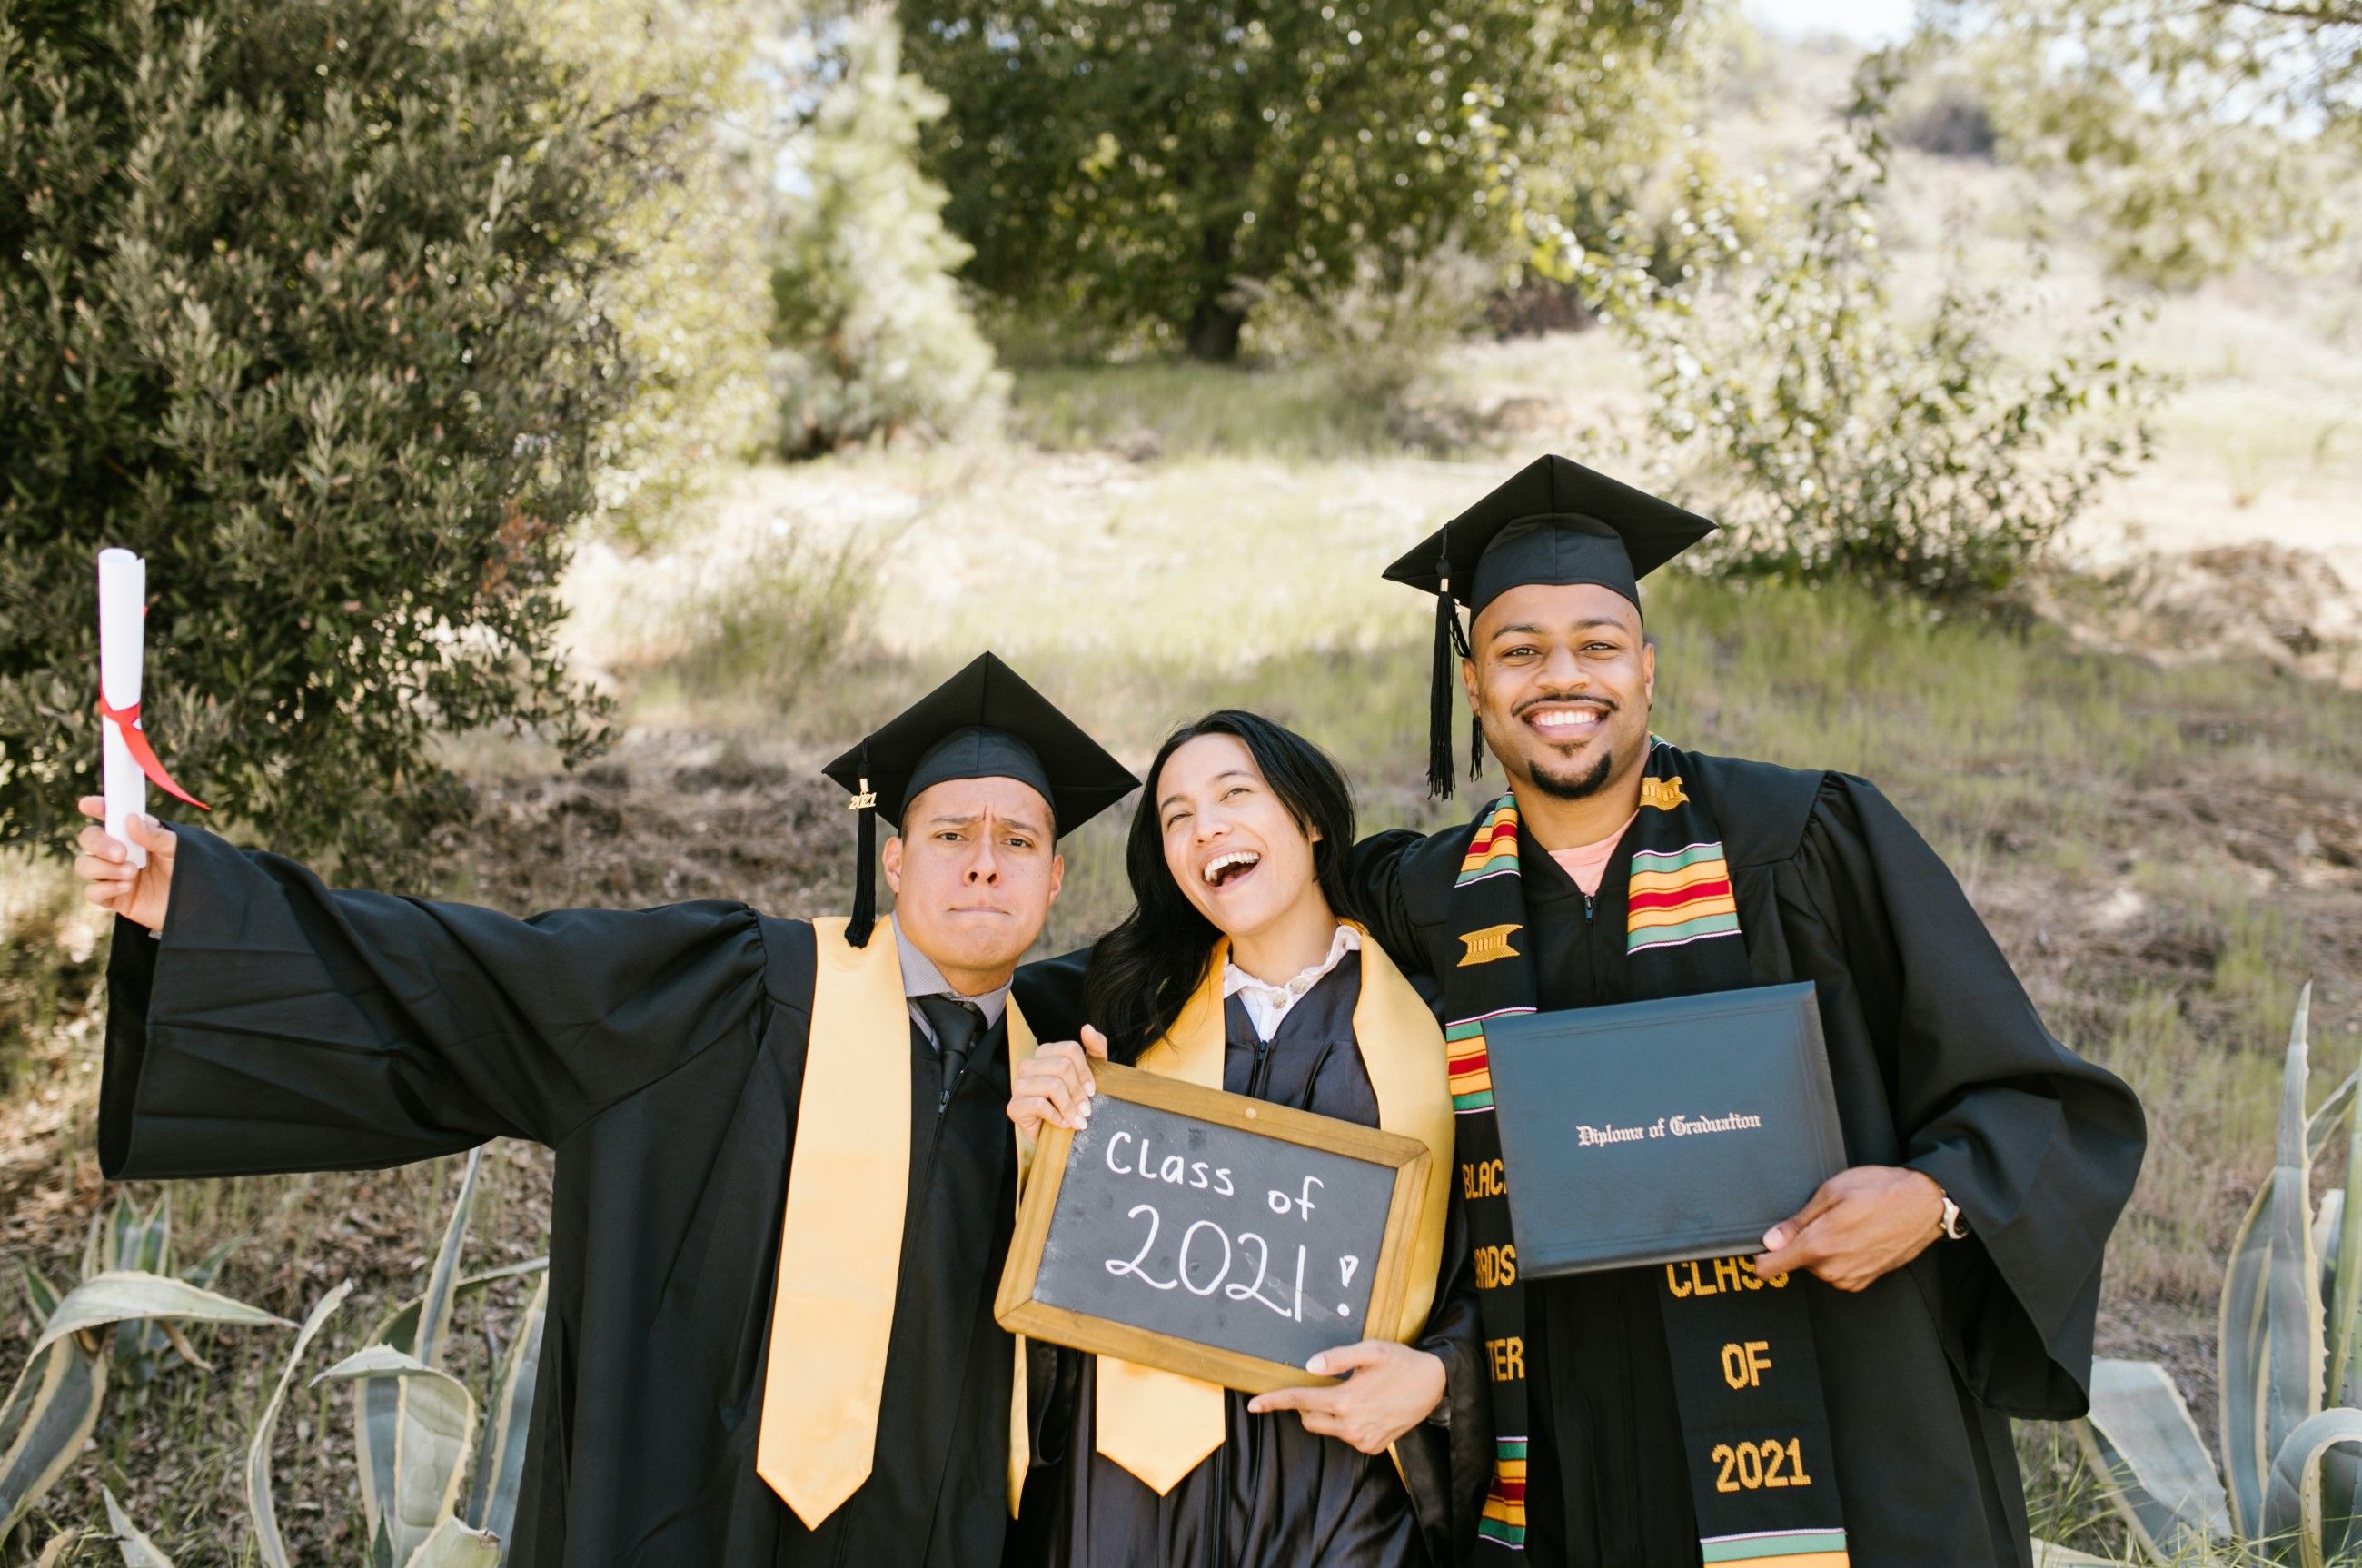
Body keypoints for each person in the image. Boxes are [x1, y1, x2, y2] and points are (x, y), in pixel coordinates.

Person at [72, 652, 1137, 1568]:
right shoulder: (735, 991)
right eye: (950, 833)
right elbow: (491, 980)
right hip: (700, 1514)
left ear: (1053, 881)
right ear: (892, 858)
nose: (984, 860)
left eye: (1017, 840)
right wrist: (206, 903)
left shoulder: (1072, 1067)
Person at [1345, 455, 2147, 1568]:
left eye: (1596, 643)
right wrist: (1024, 1030)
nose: (1559, 675)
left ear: (1646, 668)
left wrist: (1931, 1197)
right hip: (1569, 1441)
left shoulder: (1804, 839)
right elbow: (1228, 960)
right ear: (1473, 686)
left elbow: (2022, 1085)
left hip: (1835, 1397)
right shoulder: (1419, 901)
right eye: (1517, 650)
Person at [1007, 710, 1491, 1568]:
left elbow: (1497, 1249)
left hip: (1343, 1479)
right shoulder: (1120, 1020)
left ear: (1309, 818)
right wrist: (1040, 1128)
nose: (1207, 828)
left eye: (1236, 794)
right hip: (1129, 1489)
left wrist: (1444, 1374)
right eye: (1177, 816)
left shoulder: (1440, 1022)